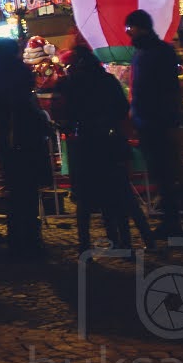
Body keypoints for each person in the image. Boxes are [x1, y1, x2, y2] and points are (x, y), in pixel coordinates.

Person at [52, 44, 152, 251]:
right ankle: (127, 241)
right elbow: (123, 107)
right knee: (120, 195)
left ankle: (85, 245)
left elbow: (63, 113)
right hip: (111, 140)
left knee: (85, 200)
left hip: (85, 143)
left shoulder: (70, 84)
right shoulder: (107, 81)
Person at [128, 9, 183, 244]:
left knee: (172, 172)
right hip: (150, 121)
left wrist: (150, 111)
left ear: (140, 28)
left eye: (130, 28)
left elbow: (157, 88)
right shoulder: (145, 52)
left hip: (159, 121)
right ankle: (173, 220)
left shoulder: (155, 52)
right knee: (163, 175)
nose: (129, 33)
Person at [0, 37, 52, 256]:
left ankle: (16, 239)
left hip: (6, 137)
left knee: (14, 188)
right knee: (27, 190)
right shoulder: (17, 72)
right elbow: (25, 103)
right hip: (23, 135)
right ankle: (29, 238)